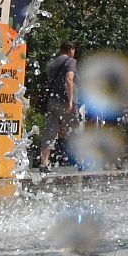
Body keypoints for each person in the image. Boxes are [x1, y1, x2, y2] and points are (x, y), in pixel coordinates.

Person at [39, 41, 78, 169]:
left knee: (50, 132)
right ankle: (81, 162)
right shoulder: (71, 61)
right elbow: (69, 79)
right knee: (76, 130)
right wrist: (70, 100)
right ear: (71, 49)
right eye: (74, 49)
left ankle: (44, 164)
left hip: (53, 101)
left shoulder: (52, 63)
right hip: (65, 101)